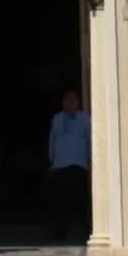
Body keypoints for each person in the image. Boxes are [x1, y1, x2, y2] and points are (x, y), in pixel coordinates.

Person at [46, 90, 91, 243]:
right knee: (59, 200)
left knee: (80, 198)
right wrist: (52, 160)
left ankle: (85, 230)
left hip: (79, 163)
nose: (69, 103)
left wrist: (92, 161)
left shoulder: (85, 119)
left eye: (72, 101)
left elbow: (90, 139)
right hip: (60, 165)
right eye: (67, 101)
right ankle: (59, 231)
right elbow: (53, 139)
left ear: (77, 103)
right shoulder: (57, 119)